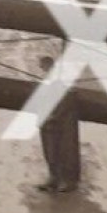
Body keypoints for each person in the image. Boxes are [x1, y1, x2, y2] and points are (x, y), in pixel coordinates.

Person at [34, 55, 82, 193]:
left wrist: (53, 116)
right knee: (50, 152)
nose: (42, 69)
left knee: (64, 151)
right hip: (48, 123)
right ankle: (53, 179)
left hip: (60, 123)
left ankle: (68, 181)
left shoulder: (62, 82)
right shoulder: (47, 81)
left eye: (43, 66)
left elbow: (67, 102)